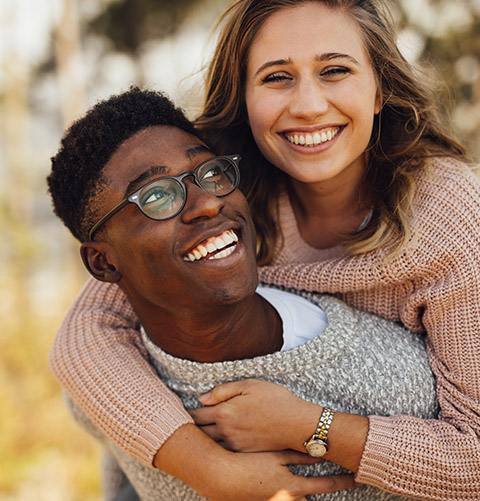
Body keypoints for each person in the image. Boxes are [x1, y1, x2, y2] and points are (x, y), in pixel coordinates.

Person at [49, 0, 480, 499]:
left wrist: (310, 427)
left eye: (335, 70)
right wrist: (207, 468)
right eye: (277, 78)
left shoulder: (448, 214)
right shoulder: (220, 184)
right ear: (245, 98)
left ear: (380, 89)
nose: (309, 105)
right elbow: (85, 335)